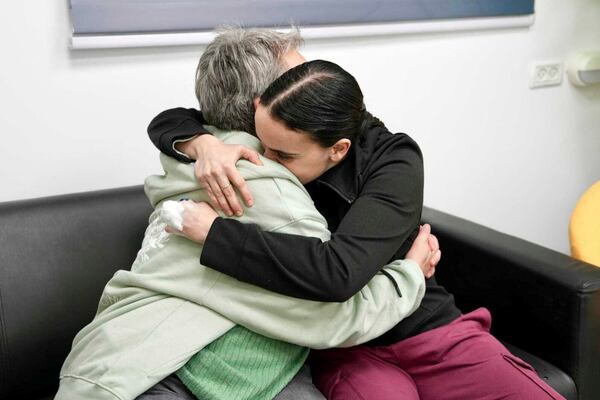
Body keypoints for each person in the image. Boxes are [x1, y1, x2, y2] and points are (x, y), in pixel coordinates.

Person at [150, 56, 565, 400]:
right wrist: (203, 144)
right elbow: (171, 119)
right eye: (264, 145)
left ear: (338, 150)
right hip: (350, 346)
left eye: (284, 155)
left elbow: (338, 273)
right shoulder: (274, 126)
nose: (268, 162)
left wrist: (214, 233)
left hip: (428, 328)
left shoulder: (393, 159)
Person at [55, 28, 437, 400]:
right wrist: (410, 274)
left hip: (139, 351)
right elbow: (334, 313)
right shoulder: (260, 186)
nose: (310, 82)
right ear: (263, 102)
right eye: (296, 78)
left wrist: (199, 143)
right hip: (164, 367)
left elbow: (173, 118)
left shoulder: (196, 150)